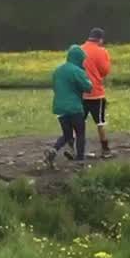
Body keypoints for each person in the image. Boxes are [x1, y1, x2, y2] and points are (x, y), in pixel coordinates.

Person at [44, 44, 94, 167]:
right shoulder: (77, 71)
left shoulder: (58, 70)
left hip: (60, 108)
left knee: (67, 135)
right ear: (78, 58)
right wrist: (88, 81)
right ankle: (80, 159)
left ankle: (54, 150)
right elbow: (88, 88)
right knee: (80, 133)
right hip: (74, 107)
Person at [80, 27, 113, 158]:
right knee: (100, 122)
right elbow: (105, 71)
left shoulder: (79, 49)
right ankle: (105, 150)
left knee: (79, 122)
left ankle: (78, 149)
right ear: (100, 39)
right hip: (96, 93)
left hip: (80, 92)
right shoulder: (101, 51)